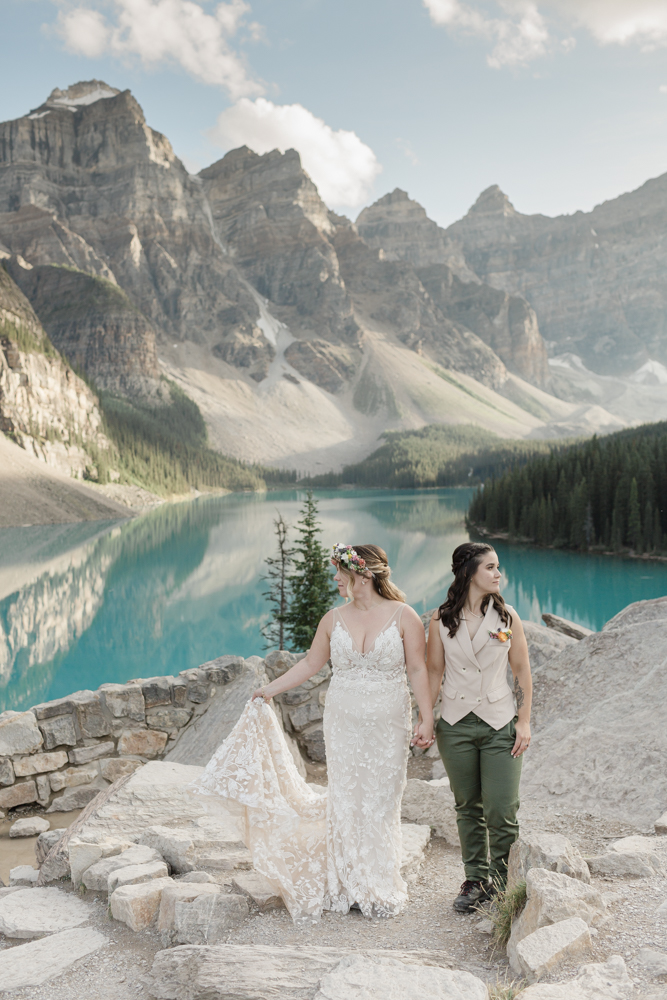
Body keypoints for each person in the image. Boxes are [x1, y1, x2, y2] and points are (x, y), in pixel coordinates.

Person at [189, 543, 434, 923]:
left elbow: (417, 669)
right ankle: (346, 881)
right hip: (344, 722)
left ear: (363, 573)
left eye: (340, 572)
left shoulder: (404, 616)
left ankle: (376, 880)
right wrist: (269, 689)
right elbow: (310, 662)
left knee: (382, 799)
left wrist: (426, 717)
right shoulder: (333, 619)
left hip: (388, 722)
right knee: (347, 797)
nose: (336, 579)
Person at [425, 541, 532, 912]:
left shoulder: (507, 619)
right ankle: (475, 880)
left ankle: (504, 884)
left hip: (499, 722)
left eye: (498, 567)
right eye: (490, 567)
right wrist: (426, 718)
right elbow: (434, 672)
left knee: (501, 809)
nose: (498, 573)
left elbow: (521, 671)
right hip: (454, 725)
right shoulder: (441, 620)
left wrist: (524, 720)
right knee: (467, 806)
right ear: (469, 572)